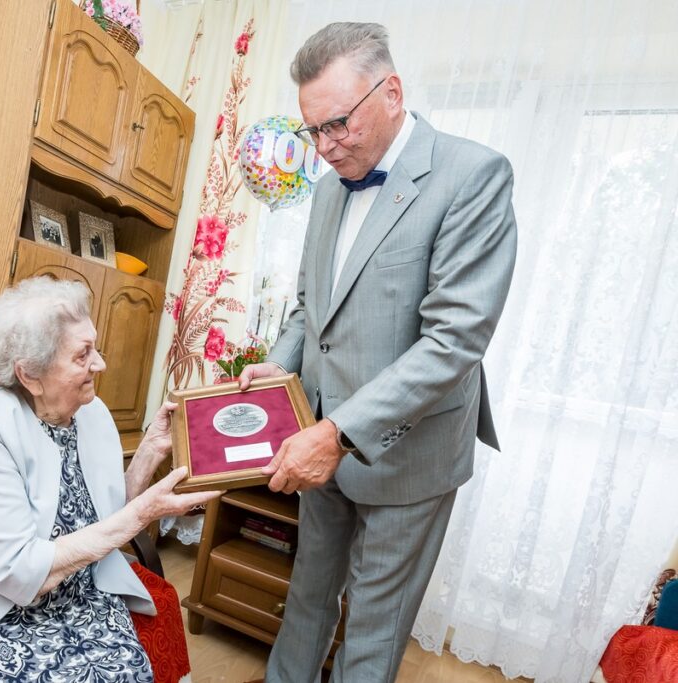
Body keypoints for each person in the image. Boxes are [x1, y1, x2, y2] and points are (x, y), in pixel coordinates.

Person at [238, 22, 517, 683]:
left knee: (371, 626)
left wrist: (341, 432)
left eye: (337, 125)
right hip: (321, 437)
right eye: (313, 131)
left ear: (391, 92)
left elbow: (453, 341)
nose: (325, 147)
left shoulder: (473, 176)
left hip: (407, 455)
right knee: (306, 596)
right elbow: (313, 307)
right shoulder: (330, 186)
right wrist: (282, 363)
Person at [0, 276, 218, 683]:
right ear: (30, 374)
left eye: (95, 347)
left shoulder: (93, 413)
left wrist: (151, 452)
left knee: (126, 672)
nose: (100, 364)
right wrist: (142, 515)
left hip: (76, 593)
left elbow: (101, 514)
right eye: (82, 355)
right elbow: (17, 572)